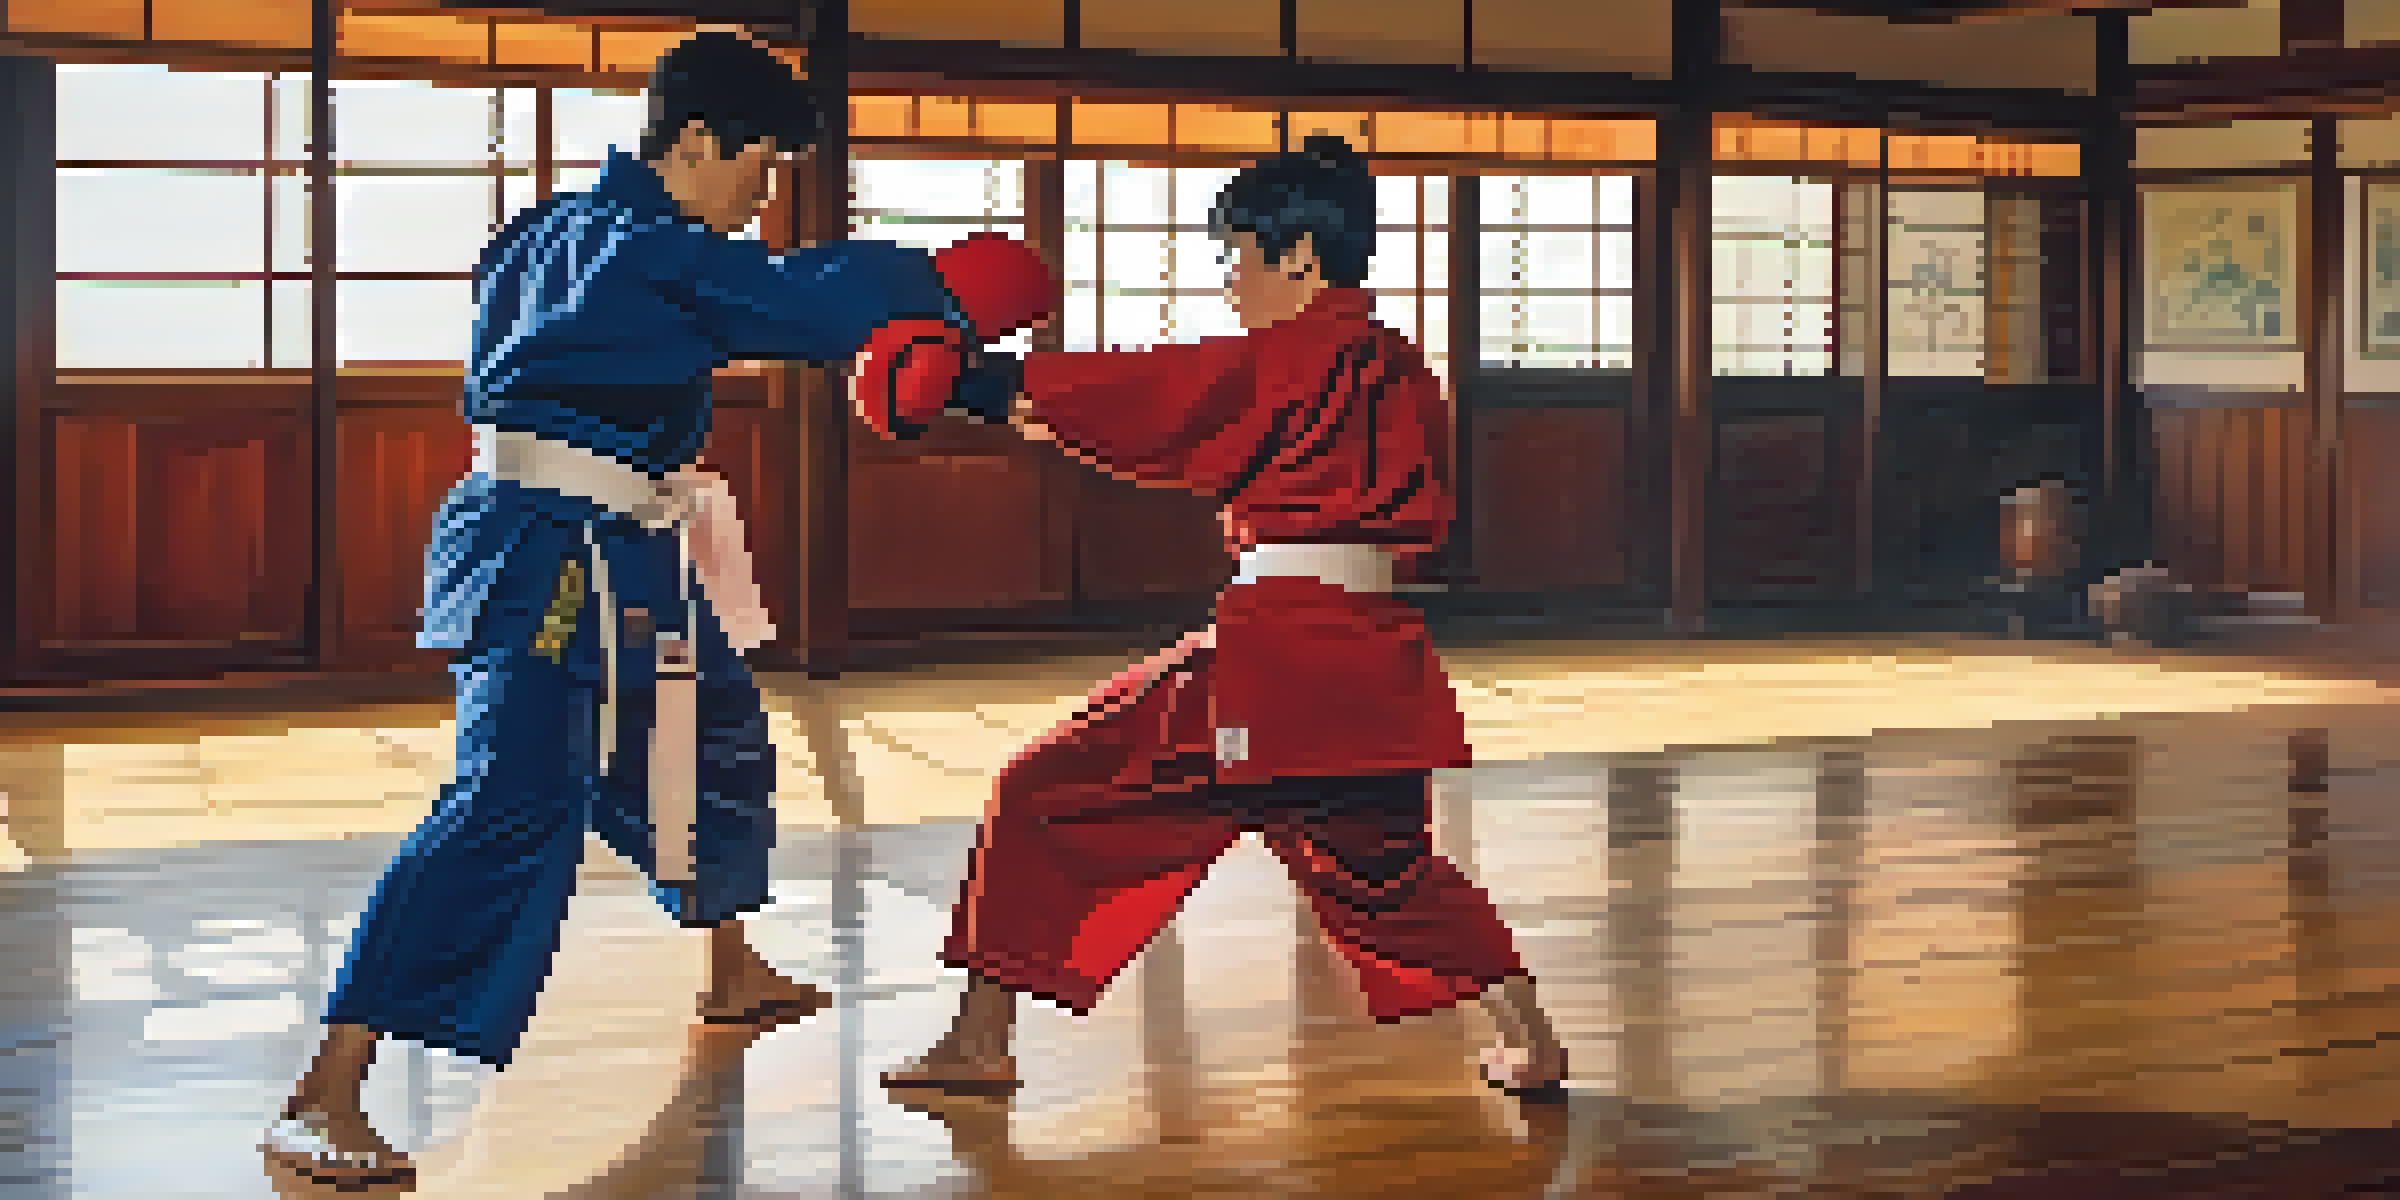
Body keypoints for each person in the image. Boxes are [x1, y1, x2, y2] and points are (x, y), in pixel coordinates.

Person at [262, 32, 1056, 1186]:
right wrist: (944, 302)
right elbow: (792, 299)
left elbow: (743, 301)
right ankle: (323, 1092)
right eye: (760, 166)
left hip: (623, 546)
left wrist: (964, 377)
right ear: (694, 141)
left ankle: (731, 968)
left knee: (708, 737)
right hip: (549, 558)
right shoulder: (651, 254)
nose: (763, 194)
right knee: (507, 803)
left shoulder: (554, 230)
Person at [869, 136, 1568, 1098]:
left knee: (1039, 790)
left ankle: (979, 1040)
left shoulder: (1296, 357)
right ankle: (1533, 1040)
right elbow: (1194, 415)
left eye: (1237, 255)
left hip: (1276, 661)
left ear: (1301, 257)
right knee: (1389, 871)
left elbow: (1160, 398)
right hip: (1373, 662)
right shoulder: (1401, 367)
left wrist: (982, 386)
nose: (1229, 281)